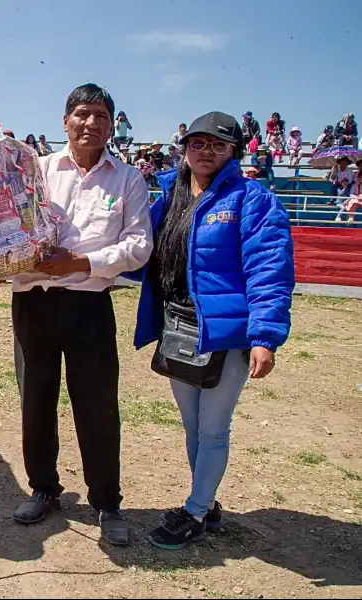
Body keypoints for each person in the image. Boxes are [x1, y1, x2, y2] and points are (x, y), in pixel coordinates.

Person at [0, 83, 152, 546]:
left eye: (100, 115)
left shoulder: (128, 179)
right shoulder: (30, 166)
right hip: (33, 301)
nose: (90, 123)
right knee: (35, 401)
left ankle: (107, 501)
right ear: (65, 121)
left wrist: (79, 264)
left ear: (112, 124)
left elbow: (139, 246)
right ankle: (43, 488)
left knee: (97, 406)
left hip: (89, 303)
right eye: (81, 114)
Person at [129, 111, 293, 549]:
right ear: (184, 148)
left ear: (233, 152)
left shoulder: (252, 199)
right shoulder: (168, 194)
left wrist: (264, 337)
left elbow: (269, 271)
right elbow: (145, 255)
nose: (206, 152)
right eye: (198, 143)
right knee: (192, 426)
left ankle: (196, 512)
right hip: (178, 326)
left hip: (227, 334)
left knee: (214, 427)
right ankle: (208, 501)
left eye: (218, 145)